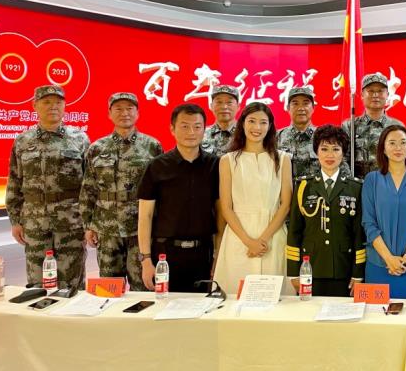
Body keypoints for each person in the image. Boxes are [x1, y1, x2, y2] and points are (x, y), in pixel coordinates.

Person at [6, 85, 90, 289]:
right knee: (38, 281)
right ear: (34, 106)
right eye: (46, 102)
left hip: (71, 220)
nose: (53, 106)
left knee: (72, 283)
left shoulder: (80, 139)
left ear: (64, 106)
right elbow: (15, 181)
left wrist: (89, 222)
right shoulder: (23, 141)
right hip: (35, 221)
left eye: (58, 102)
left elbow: (89, 185)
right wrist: (15, 221)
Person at [80, 92, 162, 291]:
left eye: (129, 108)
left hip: (140, 230)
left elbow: (161, 190)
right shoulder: (97, 148)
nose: (124, 113)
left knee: (144, 287)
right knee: (109, 288)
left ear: (137, 113)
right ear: (109, 114)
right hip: (107, 228)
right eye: (118, 109)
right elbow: (88, 188)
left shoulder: (152, 146)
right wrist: (88, 225)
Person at [137, 103, 219, 293]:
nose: (191, 132)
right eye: (184, 126)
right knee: (164, 307)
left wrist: (217, 258)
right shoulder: (157, 166)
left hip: (203, 255)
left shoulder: (214, 165)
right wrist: (146, 260)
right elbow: (145, 216)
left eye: (197, 127)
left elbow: (220, 214)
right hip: (165, 255)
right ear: (172, 129)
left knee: (203, 308)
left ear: (204, 130)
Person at [213, 102, 294, 294]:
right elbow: (226, 207)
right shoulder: (228, 160)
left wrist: (262, 240)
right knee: (235, 296)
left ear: (270, 126)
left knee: (276, 298)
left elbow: (285, 204)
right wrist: (249, 241)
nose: (257, 127)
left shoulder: (282, 159)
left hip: (272, 236)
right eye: (252, 121)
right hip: (238, 236)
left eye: (263, 122)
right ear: (242, 123)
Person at [286, 125, 365, 296]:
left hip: (344, 268)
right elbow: (294, 232)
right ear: (316, 152)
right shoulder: (303, 186)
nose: (330, 155)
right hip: (310, 268)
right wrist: (293, 272)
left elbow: (359, 234)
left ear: (343, 153)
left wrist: (358, 273)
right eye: (324, 149)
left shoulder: (356, 188)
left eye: (336, 149)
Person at [362, 124, 406, 301]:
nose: (398, 148)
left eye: (403, 142)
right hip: (378, 264)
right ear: (383, 149)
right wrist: (389, 259)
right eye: (392, 143)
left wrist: (405, 259)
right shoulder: (372, 180)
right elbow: (369, 224)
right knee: (375, 315)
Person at [277, 86, 351, 179]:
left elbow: (342, 169)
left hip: (318, 188)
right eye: (295, 104)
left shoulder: (325, 136)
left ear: (313, 108)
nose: (301, 108)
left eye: (305, 103)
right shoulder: (276, 137)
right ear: (288, 108)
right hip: (286, 188)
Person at [343, 73, 404, 178]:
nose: (375, 95)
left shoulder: (397, 127)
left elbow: (405, 161)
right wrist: (351, 183)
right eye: (370, 91)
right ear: (362, 95)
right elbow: (342, 159)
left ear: (387, 95)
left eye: (380, 91)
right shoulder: (350, 126)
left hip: (389, 185)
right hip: (358, 185)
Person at [201, 85, 240, 155]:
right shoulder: (200, 134)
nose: (224, 107)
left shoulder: (246, 134)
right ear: (211, 106)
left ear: (238, 106)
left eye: (229, 102)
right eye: (219, 102)